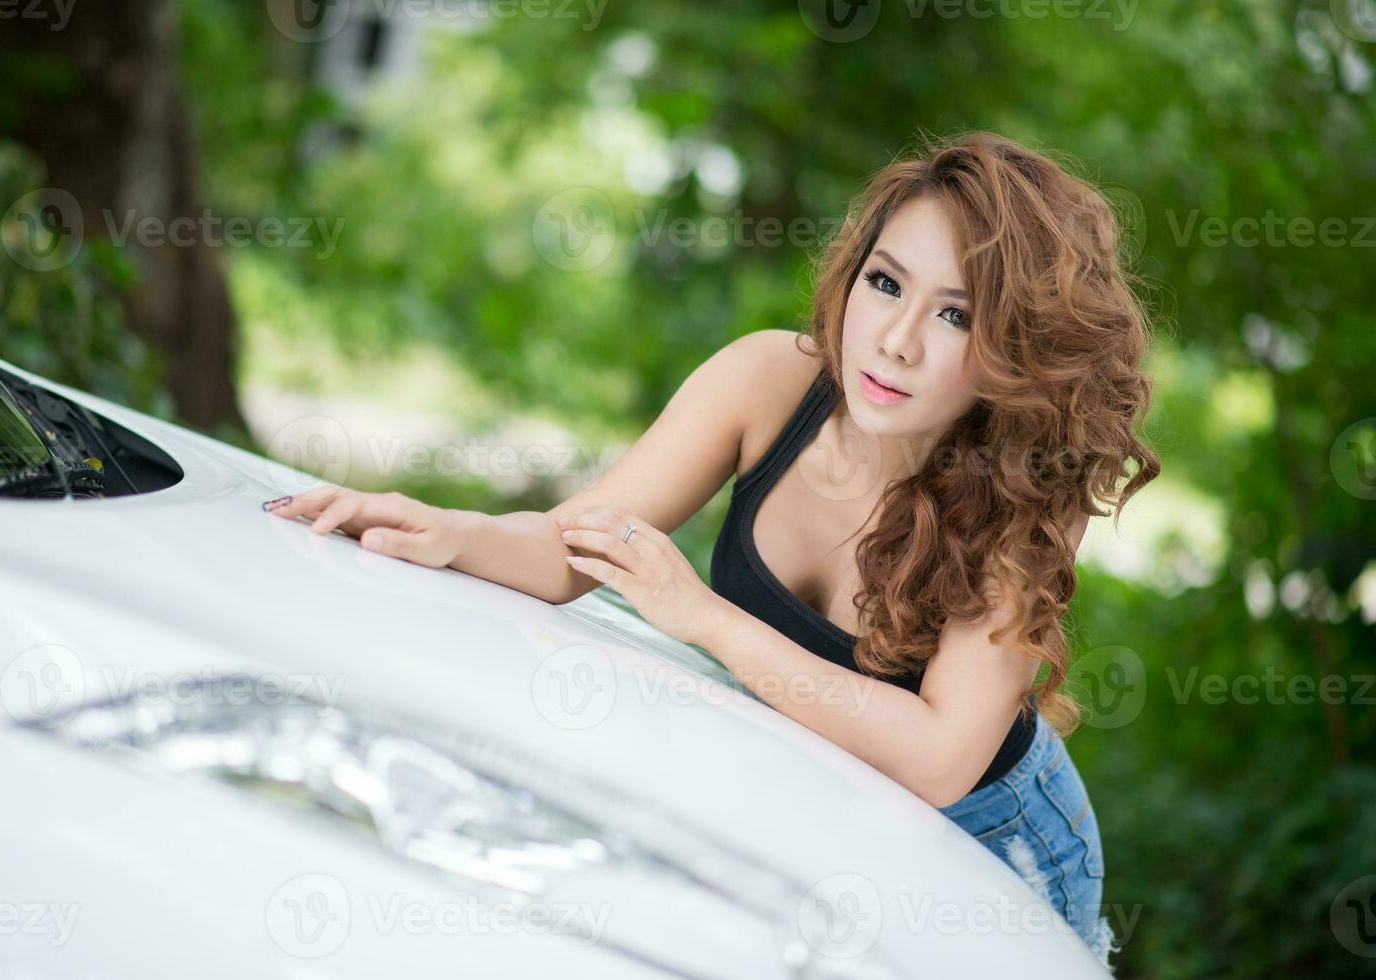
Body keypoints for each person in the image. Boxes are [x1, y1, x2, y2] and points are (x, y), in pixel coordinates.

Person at [262, 130, 1159, 970]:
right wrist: (453, 530)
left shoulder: (1024, 494)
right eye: (886, 284)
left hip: (993, 838)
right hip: (841, 806)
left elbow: (935, 761)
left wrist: (705, 619)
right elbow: (577, 548)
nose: (896, 339)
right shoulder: (770, 381)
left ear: (1015, 348)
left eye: (956, 315)